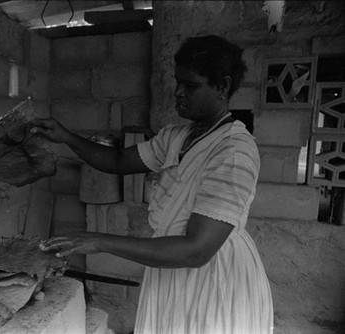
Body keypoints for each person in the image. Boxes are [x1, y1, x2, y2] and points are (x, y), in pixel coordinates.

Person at [32, 35, 273, 334]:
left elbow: (197, 250)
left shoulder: (233, 151)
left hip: (214, 277)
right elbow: (119, 161)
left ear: (222, 87)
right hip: (175, 270)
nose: (178, 93)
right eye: (177, 82)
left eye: (191, 85)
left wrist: (99, 241)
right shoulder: (178, 136)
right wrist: (67, 136)